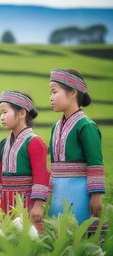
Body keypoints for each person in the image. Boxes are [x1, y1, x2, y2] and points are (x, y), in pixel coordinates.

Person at [49, 69, 105, 230]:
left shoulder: (86, 126)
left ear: (73, 92)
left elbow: (95, 162)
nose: (51, 98)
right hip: (58, 193)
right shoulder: (56, 127)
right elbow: (53, 164)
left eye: (54, 92)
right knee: (57, 237)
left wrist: (96, 196)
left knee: (78, 235)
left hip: (80, 192)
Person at [0, 91, 50, 231]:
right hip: (5, 203)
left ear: (22, 113)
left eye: (5, 112)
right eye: (1, 113)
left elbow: (41, 176)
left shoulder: (35, 142)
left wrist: (38, 205)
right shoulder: (3, 144)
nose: (1, 117)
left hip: (27, 203)